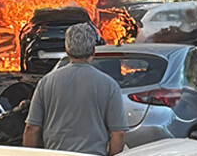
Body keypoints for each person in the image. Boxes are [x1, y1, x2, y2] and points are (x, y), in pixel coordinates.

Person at [23, 23, 128, 156]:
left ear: (67, 50)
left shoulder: (46, 82)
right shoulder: (109, 85)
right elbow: (118, 133)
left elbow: (31, 128)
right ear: (93, 51)